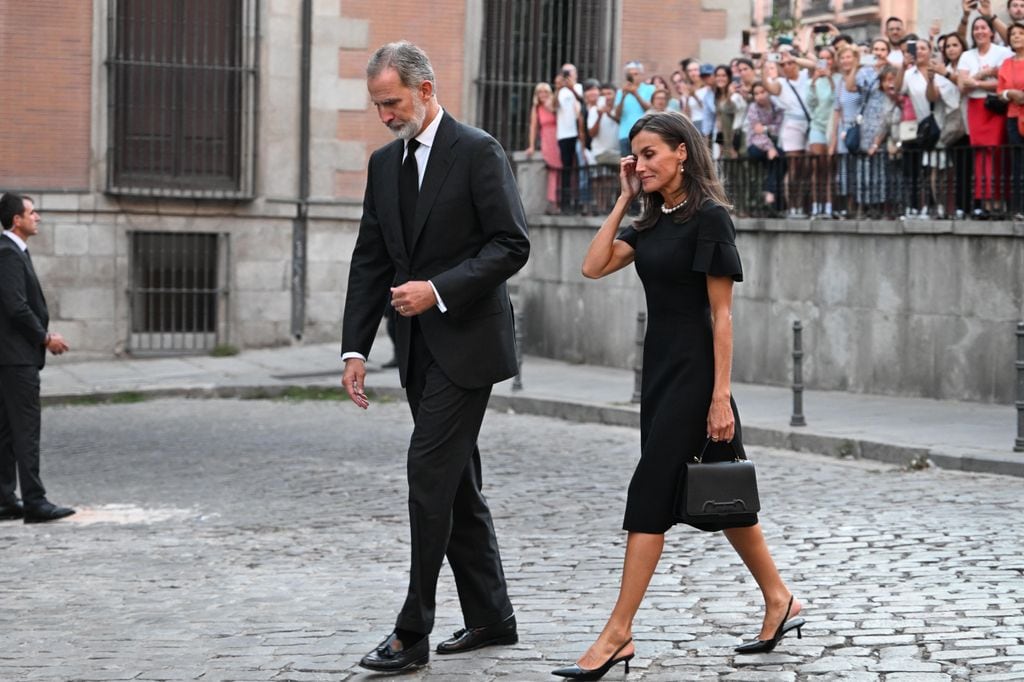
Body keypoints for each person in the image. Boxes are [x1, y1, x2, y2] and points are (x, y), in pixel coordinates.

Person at [552, 110, 804, 680]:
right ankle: (780, 598)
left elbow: (722, 315)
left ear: (681, 152)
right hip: (661, 375)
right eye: (635, 156)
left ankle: (617, 634)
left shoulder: (709, 218)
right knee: (722, 494)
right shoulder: (650, 223)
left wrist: (721, 396)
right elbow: (593, 267)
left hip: (697, 379)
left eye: (650, 154)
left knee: (650, 496)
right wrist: (622, 199)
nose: (640, 164)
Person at [342, 41, 529, 674]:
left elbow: (512, 243)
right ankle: (491, 616)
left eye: (391, 101)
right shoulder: (381, 164)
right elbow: (370, 259)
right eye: (376, 105)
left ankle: (411, 631)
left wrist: (439, 288)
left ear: (425, 90)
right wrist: (354, 347)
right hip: (414, 351)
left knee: (428, 475)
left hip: (469, 346)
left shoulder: (478, 151)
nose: (385, 114)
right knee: (457, 483)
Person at [0, 193, 74, 524]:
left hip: (9, 357)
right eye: (32, 212)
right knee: (25, 429)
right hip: (16, 360)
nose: (38, 217)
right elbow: (16, 307)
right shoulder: (8, 254)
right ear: (16, 219)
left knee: (5, 431)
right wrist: (45, 338)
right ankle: (35, 501)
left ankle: (4, 499)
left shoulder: (11, 252)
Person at [959, 16, 1012, 217]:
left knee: (997, 153)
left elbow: (1004, 81)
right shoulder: (967, 55)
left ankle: (999, 202)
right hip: (975, 107)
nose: (980, 31)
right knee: (980, 154)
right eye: (976, 28)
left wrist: (977, 81)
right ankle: (985, 203)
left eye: (983, 28)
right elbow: (962, 85)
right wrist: (986, 74)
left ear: (991, 31)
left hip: (995, 106)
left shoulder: (1002, 52)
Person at [996, 21, 1024, 218]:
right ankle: (1020, 208)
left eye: (1020, 33)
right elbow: (999, 92)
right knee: (1018, 164)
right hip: (1014, 118)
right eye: (1013, 34)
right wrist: (1010, 93)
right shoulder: (1006, 63)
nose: (1016, 37)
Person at [807, 46, 837, 217]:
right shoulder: (814, 80)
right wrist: (814, 81)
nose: (825, 62)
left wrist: (830, 78)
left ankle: (829, 206)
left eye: (828, 58)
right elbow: (810, 102)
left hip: (832, 127)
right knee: (817, 167)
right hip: (817, 126)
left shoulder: (838, 77)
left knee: (830, 169)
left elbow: (836, 99)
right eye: (822, 58)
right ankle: (816, 205)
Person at [747, 82, 786, 214]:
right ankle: (771, 195)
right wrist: (769, 147)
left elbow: (776, 128)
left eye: (762, 92)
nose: (759, 96)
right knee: (774, 159)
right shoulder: (753, 107)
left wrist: (765, 128)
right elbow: (757, 131)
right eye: (756, 94)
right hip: (755, 144)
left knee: (777, 162)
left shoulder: (776, 107)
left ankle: (771, 195)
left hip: (772, 145)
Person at [527, 81, 562, 215]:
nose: (542, 95)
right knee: (553, 169)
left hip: (559, 137)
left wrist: (550, 105)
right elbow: (533, 127)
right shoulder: (537, 108)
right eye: (539, 92)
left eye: (545, 92)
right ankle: (553, 201)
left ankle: (559, 200)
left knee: (561, 169)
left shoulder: (554, 104)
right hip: (547, 139)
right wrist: (531, 146)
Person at [614, 61, 655, 157]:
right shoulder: (620, 92)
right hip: (625, 135)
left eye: (636, 74)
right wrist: (623, 96)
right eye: (630, 74)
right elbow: (617, 116)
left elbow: (650, 110)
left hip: (645, 133)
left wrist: (636, 94)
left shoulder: (650, 89)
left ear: (641, 75)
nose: (633, 77)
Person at [557, 64, 583, 212]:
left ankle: (578, 200)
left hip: (577, 133)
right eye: (565, 72)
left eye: (570, 72)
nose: (567, 75)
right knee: (566, 167)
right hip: (563, 134)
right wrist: (559, 87)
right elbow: (554, 106)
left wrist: (571, 87)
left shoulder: (578, 87)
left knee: (580, 167)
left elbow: (582, 101)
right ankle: (565, 202)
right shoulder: (560, 91)